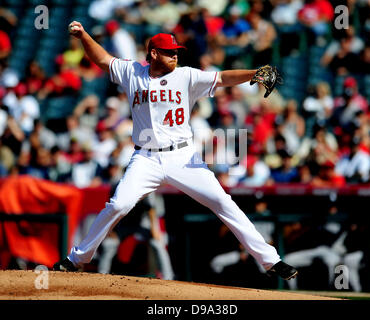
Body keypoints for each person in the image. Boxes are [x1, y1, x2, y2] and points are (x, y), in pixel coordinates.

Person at [54, 20, 298, 281]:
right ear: (154, 53)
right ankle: (77, 259)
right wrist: (83, 35)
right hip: (145, 157)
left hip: (183, 156)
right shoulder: (132, 72)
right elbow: (102, 59)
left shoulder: (186, 76)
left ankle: (271, 261)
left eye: (176, 51)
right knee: (119, 204)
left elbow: (223, 77)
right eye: (170, 51)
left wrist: (253, 74)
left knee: (222, 201)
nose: (175, 54)